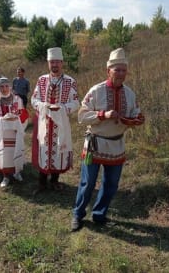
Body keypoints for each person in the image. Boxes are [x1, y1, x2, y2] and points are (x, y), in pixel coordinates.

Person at [71, 48, 145, 231]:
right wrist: (103, 114)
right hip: (95, 144)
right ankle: (78, 215)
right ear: (108, 71)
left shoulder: (130, 93)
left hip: (117, 145)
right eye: (116, 70)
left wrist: (137, 119)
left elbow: (135, 113)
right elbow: (81, 117)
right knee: (87, 183)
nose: (120, 74)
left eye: (123, 70)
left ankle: (99, 214)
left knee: (111, 184)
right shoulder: (96, 91)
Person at [31, 47, 80, 193]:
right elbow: (34, 99)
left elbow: (76, 102)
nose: (55, 65)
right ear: (48, 63)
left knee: (58, 150)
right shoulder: (41, 80)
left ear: (62, 63)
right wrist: (43, 106)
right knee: (43, 148)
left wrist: (62, 108)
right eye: (52, 62)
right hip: (44, 123)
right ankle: (41, 183)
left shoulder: (70, 82)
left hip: (60, 123)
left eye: (57, 62)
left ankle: (54, 181)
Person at [0, 77, 28, 188]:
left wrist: (17, 120)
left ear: (10, 87)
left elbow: (23, 114)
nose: (4, 89)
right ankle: (6, 176)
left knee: (16, 150)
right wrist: (2, 119)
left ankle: (16, 172)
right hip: (1, 132)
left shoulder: (17, 99)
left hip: (15, 131)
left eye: (6, 86)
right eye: (1, 86)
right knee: (4, 154)